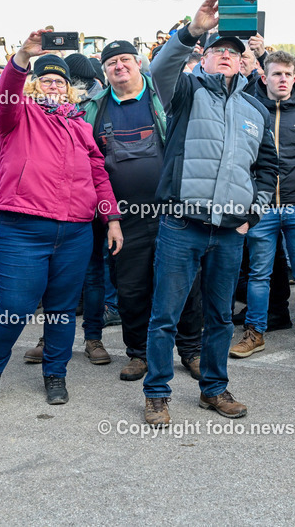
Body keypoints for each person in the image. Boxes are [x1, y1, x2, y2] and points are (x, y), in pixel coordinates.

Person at [141, 0, 278, 426]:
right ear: (205, 57)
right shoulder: (186, 90)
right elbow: (160, 70)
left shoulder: (256, 108)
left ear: (242, 64)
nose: (226, 57)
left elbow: (267, 166)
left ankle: (214, 390)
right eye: (218, 50)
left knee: (220, 318)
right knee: (166, 315)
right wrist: (193, 31)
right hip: (182, 225)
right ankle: (157, 393)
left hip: (229, 231)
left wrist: (251, 214)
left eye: (234, 54)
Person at [0, 41, 121, 406]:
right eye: (46, 80)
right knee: (14, 307)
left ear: (69, 88)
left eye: (59, 81)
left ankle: (56, 374)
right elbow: (5, 91)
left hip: (74, 233)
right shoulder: (17, 113)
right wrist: (23, 58)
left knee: (61, 310)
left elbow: (98, 173)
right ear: (33, 84)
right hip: (23, 230)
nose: (53, 86)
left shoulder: (80, 125)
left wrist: (112, 218)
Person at [80, 39, 202, 381]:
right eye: (111, 63)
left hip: (171, 212)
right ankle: (139, 353)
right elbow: (90, 164)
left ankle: (192, 351)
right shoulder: (94, 108)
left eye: (125, 60)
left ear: (138, 63)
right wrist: (107, 216)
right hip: (122, 218)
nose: (119, 66)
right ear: (104, 72)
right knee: (131, 288)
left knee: (185, 285)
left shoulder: (164, 96)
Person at [230, 50, 295, 362]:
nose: (284, 79)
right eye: (277, 74)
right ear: (264, 76)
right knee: (259, 274)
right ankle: (255, 332)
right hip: (262, 209)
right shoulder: (251, 111)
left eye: (289, 74)